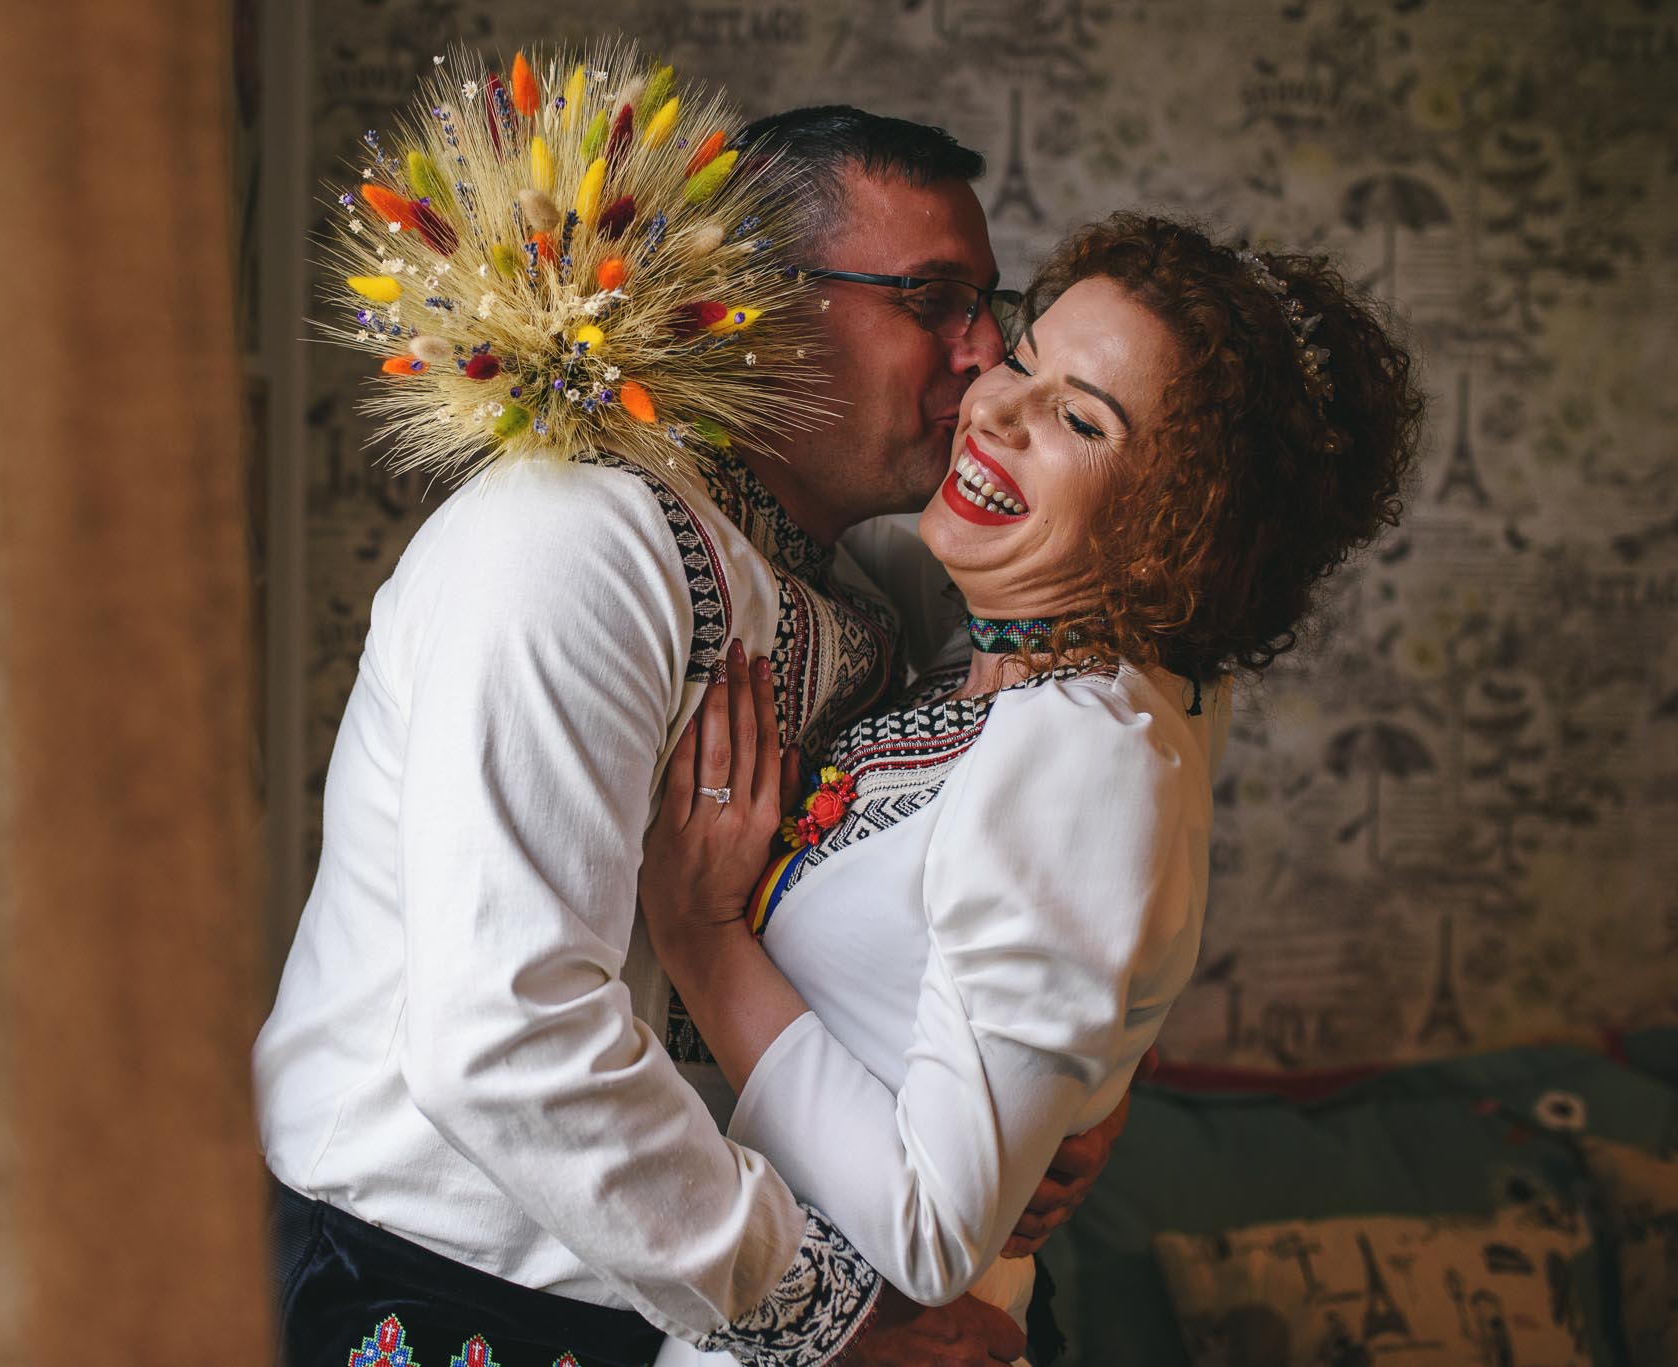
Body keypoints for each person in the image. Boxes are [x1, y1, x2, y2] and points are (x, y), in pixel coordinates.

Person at [258, 48, 1128, 1367]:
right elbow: (504, 1035)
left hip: (712, 1283)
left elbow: (1085, 815)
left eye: (986, 303)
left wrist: (1071, 1094)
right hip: (451, 1277)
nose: (985, 352)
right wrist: (829, 1316)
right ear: (758, 306)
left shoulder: (882, 581)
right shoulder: (568, 542)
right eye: (933, 300)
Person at [640, 213, 1425, 1364]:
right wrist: (1088, 1087)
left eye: (1079, 419)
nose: (994, 408)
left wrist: (701, 936)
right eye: (1021, 357)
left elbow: (930, 1229)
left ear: (1177, 527)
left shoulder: (1085, 752)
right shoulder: (1039, 673)